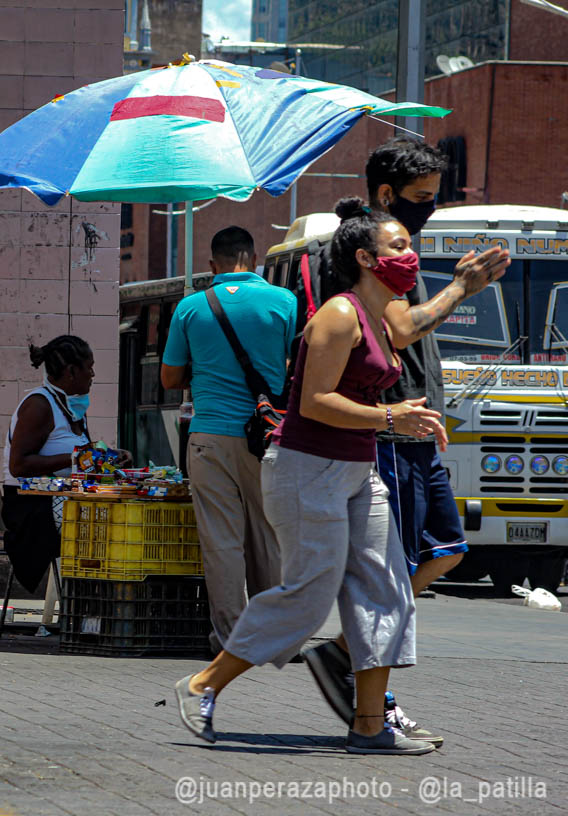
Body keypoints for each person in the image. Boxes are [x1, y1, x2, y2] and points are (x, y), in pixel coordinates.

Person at [174, 198, 450, 755]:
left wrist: (464, 286)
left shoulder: (380, 315)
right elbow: (316, 402)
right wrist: (394, 416)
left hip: (356, 468)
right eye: (399, 246)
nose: (410, 256)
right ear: (367, 258)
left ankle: (370, 725)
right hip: (307, 468)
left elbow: (409, 330)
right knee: (307, 595)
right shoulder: (339, 314)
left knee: (387, 588)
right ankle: (202, 684)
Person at [298, 137, 510, 742]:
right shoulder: (378, 256)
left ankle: (342, 653)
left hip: (414, 432)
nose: (429, 212)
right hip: (389, 431)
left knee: (445, 550)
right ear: (386, 196)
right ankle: (371, 701)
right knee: (388, 574)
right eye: (421, 200)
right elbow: (403, 329)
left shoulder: (400, 251)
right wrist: (461, 288)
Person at [160, 226, 294, 652]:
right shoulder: (285, 301)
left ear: (212, 266)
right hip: (268, 439)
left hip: (209, 438)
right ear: (253, 260)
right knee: (269, 537)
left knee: (221, 541)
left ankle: (232, 641)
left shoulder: (189, 308)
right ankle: (274, 637)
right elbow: (295, 365)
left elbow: (169, 378)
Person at [1, 335, 101, 593]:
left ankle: (90, 603)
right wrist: (74, 458)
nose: (92, 374)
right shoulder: (39, 405)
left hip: (61, 497)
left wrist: (109, 458)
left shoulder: (73, 408)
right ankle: (83, 603)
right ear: (70, 372)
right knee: (102, 522)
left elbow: (82, 458)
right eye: (89, 367)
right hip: (32, 506)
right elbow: (19, 466)